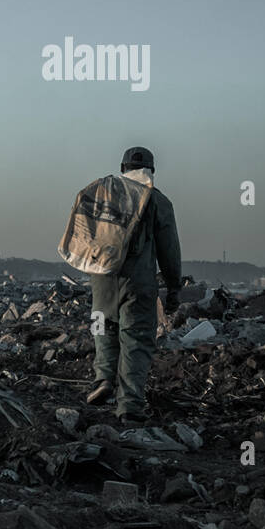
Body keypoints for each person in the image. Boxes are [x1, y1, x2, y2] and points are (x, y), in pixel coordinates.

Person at [86, 146, 182, 423]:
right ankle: (129, 406)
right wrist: (174, 287)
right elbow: (169, 250)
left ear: (122, 167)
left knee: (103, 331)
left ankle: (103, 378)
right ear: (152, 170)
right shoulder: (158, 201)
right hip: (137, 284)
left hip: (101, 280)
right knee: (136, 340)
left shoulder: (101, 197)